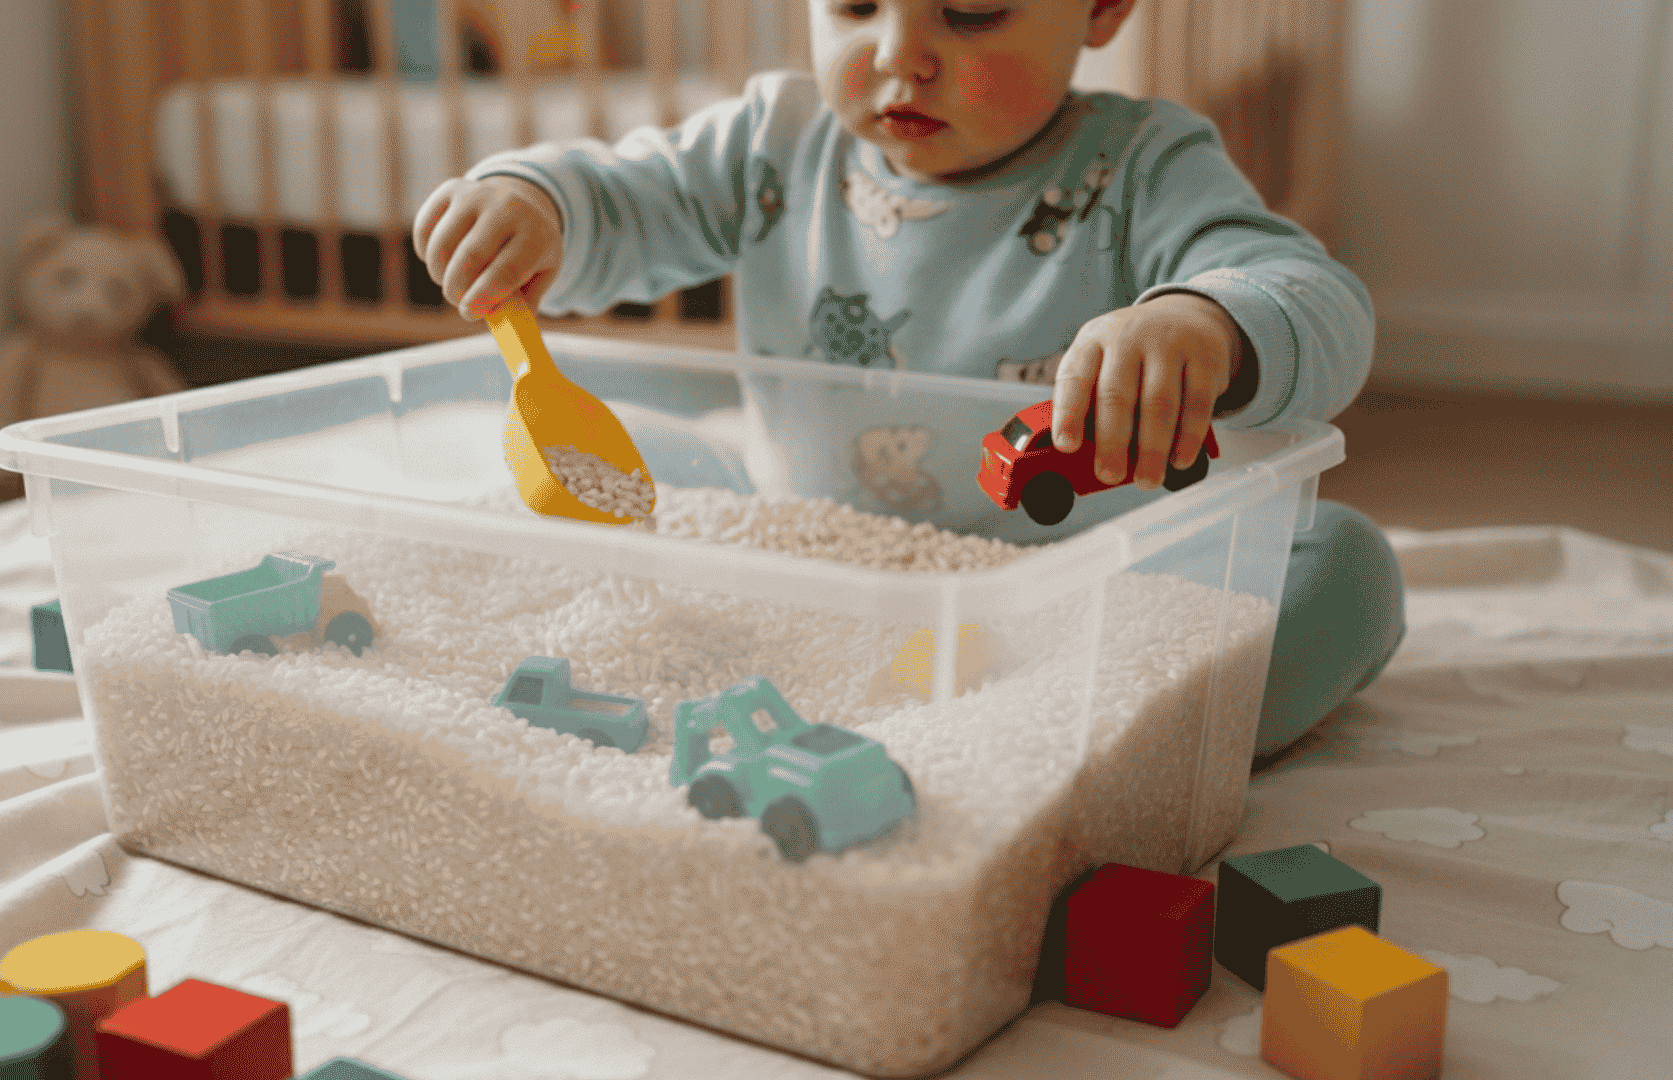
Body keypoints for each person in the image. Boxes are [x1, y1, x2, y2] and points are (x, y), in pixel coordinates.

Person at [412, 0, 1403, 758]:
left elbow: (1314, 295)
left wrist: (1201, 322)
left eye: (969, 10)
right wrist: (535, 204)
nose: (899, 53)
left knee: (1343, 567)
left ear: (1102, 7)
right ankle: (892, 693)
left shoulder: (1144, 163)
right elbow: (631, 198)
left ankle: (1075, 735)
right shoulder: (776, 141)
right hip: (817, 558)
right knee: (597, 464)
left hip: (1082, 595)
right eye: (853, 3)